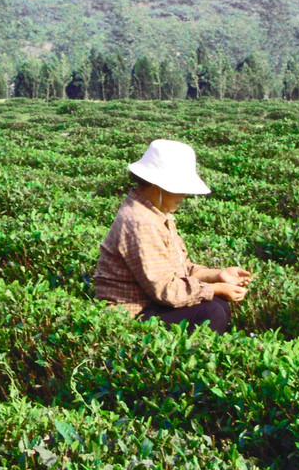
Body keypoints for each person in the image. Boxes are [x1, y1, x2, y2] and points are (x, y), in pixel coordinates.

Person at [93, 139, 252, 335]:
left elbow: (182, 270)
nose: (184, 195)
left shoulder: (156, 214)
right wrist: (215, 289)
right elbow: (166, 290)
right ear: (156, 185)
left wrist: (217, 276)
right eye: (178, 188)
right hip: (131, 312)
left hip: (151, 304)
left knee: (218, 305)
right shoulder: (140, 222)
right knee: (211, 311)